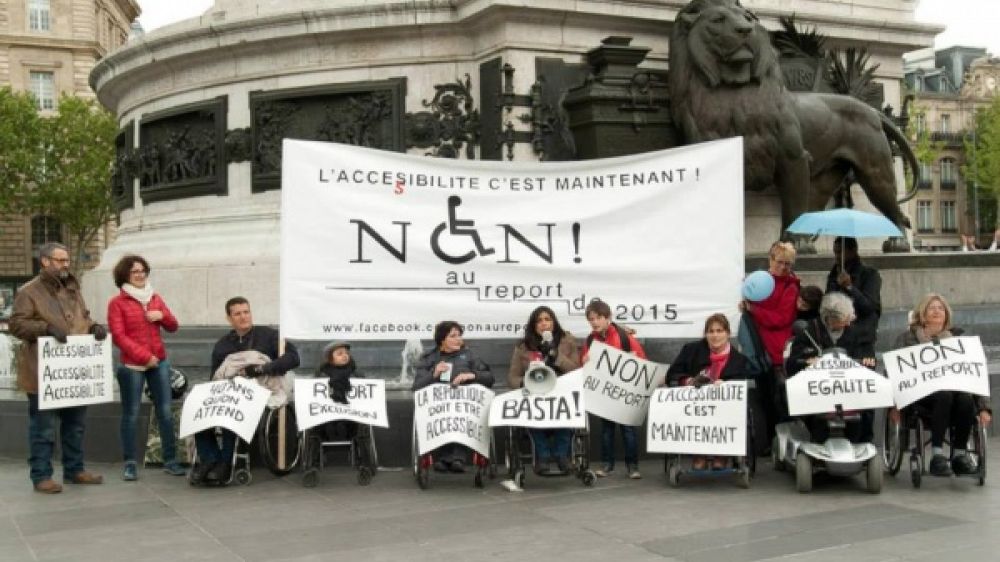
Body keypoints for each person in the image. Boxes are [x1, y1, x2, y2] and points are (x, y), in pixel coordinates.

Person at [9, 243, 107, 493]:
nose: (66, 264)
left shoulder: (72, 288)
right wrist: (45, 329)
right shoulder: (28, 291)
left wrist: (94, 326)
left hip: (74, 372)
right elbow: (17, 325)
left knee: (75, 425)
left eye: (66, 260)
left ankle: (75, 469)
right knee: (43, 429)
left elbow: (81, 317)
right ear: (45, 261)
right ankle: (41, 475)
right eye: (60, 260)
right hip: (44, 373)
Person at [192, 297, 300, 485]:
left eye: (246, 312)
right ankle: (209, 460)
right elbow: (214, 377)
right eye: (237, 314)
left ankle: (225, 464)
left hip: (261, 391)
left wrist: (261, 369)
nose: (243, 317)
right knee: (199, 410)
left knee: (230, 413)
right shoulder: (222, 345)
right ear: (229, 318)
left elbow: (293, 358)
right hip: (230, 389)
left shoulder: (269, 336)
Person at [891, 293, 992, 476]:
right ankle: (937, 456)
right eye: (932, 308)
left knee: (965, 399)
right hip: (922, 397)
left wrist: (984, 408)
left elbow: (976, 374)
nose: (937, 311)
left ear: (946, 313)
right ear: (923, 313)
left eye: (941, 308)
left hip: (955, 396)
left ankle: (959, 455)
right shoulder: (907, 339)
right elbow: (895, 374)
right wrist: (895, 405)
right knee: (944, 394)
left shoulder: (958, 339)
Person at [107, 254, 185, 481]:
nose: (140, 275)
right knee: (130, 415)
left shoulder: (155, 298)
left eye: (143, 271)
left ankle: (170, 460)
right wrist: (144, 357)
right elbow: (119, 337)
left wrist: (162, 315)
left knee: (165, 413)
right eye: (135, 271)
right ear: (125, 275)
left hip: (158, 362)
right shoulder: (117, 303)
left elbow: (173, 326)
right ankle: (130, 463)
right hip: (131, 366)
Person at [785, 292, 877, 443]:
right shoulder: (809, 332)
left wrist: (867, 361)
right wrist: (807, 361)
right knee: (815, 413)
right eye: (844, 319)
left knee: (866, 408)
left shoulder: (853, 333)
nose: (848, 323)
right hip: (818, 388)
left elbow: (865, 355)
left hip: (846, 386)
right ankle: (817, 441)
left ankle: (861, 442)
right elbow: (792, 365)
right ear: (830, 318)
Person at [666, 314, 750, 470]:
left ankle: (722, 454)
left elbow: (741, 382)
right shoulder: (691, 350)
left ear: (728, 333)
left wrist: (726, 384)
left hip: (725, 408)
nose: (715, 335)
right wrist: (687, 381)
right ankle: (699, 453)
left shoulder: (739, 359)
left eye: (719, 331)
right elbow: (672, 374)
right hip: (694, 405)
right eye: (711, 331)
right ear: (705, 334)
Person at [508, 306, 581, 475]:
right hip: (535, 395)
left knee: (568, 413)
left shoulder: (567, 341)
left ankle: (562, 455)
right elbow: (512, 377)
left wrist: (557, 357)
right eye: (539, 321)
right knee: (532, 415)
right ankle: (542, 457)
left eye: (547, 319)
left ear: (554, 322)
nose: (544, 324)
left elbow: (576, 370)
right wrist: (525, 383)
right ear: (534, 325)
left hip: (561, 394)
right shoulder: (523, 346)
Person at [413, 321, 493, 473]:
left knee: (459, 417)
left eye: (459, 335)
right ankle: (444, 458)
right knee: (443, 419)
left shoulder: (470, 355)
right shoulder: (429, 358)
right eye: (453, 336)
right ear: (442, 339)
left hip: (465, 406)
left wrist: (471, 375)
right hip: (437, 408)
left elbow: (489, 378)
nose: (458, 339)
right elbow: (417, 387)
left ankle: (456, 458)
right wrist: (434, 374)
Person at [580, 299, 646, 479]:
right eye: (591, 319)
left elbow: (642, 360)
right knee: (606, 430)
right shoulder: (590, 339)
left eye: (598, 318)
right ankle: (607, 465)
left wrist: (635, 358)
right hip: (605, 391)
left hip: (625, 391)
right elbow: (585, 363)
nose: (594, 322)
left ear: (608, 318)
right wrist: (585, 361)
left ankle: (632, 466)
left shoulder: (624, 337)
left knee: (628, 430)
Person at [743, 241, 800, 449]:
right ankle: (768, 441)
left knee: (779, 399)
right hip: (758, 346)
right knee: (764, 397)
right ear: (771, 260)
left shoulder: (791, 286)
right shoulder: (759, 280)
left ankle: (781, 441)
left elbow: (781, 318)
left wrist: (754, 310)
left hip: (777, 349)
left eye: (788, 263)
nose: (784, 267)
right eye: (780, 262)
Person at [826, 237, 881, 346]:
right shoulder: (834, 275)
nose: (837, 256)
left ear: (853, 251)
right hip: (838, 336)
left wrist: (850, 287)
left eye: (840, 252)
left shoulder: (869, 274)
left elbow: (869, 306)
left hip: (861, 338)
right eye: (835, 252)